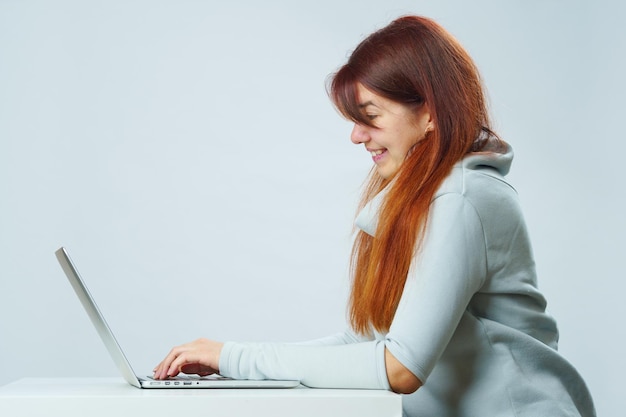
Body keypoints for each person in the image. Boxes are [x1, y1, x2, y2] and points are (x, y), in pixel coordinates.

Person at [153, 15, 595, 416]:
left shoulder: (461, 198)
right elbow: (370, 340)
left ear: (430, 113)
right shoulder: (427, 194)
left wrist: (233, 358)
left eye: (370, 117)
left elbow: (400, 367)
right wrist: (234, 360)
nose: (355, 135)